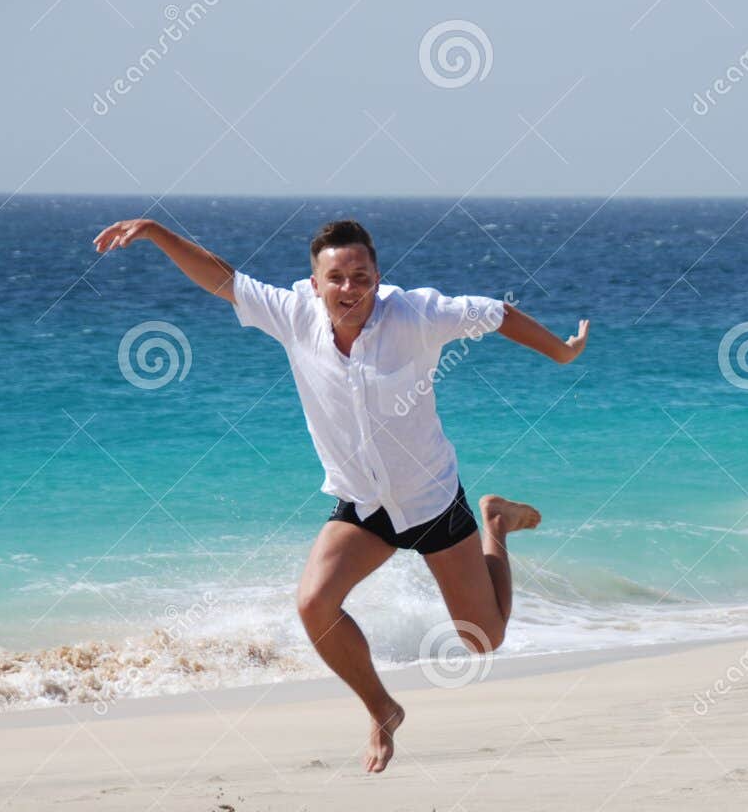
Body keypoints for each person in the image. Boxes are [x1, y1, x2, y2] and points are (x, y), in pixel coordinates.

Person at [92, 217, 588, 772]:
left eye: (362, 276)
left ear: (378, 276)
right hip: (364, 502)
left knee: (483, 641)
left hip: (429, 498)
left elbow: (497, 314)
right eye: (337, 278)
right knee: (314, 603)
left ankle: (494, 523)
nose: (350, 288)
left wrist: (562, 353)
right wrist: (158, 232)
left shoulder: (417, 314)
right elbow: (221, 279)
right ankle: (382, 709)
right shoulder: (293, 314)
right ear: (314, 283)